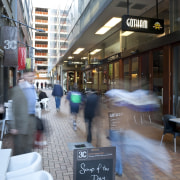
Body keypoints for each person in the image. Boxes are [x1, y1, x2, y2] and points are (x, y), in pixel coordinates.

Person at [10, 70, 37, 155]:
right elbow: (13, 108)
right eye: (29, 76)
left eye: (32, 76)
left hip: (31, 121)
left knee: (29, 146)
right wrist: (13, 126)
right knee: (19, 148)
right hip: (20, 123)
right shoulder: (18, 89)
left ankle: (27, 165)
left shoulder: (32, 88)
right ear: (24, 76)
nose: (31, 78)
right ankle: (18, 166)